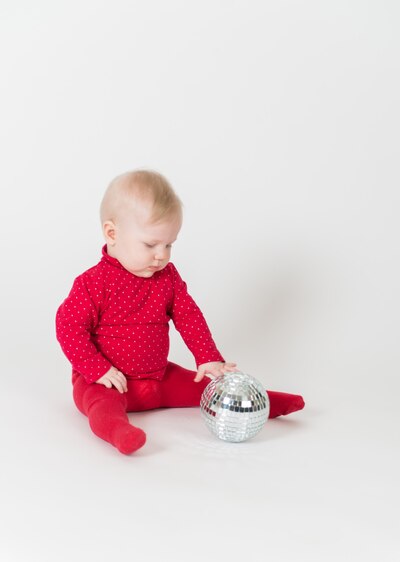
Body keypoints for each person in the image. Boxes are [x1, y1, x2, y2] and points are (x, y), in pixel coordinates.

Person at [56, 169, 305, 454]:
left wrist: (208, 357)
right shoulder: (93, 283)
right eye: (150, 244)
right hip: (109, 383)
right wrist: (97, 369)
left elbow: (189, 316)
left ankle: (259, 402)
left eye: (169, 244)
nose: (161, 254)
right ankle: (119, 432)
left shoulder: (167, 277)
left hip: (159, 380)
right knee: (101, 406)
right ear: (112, 233)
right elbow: (68, 327)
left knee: (205, 388)